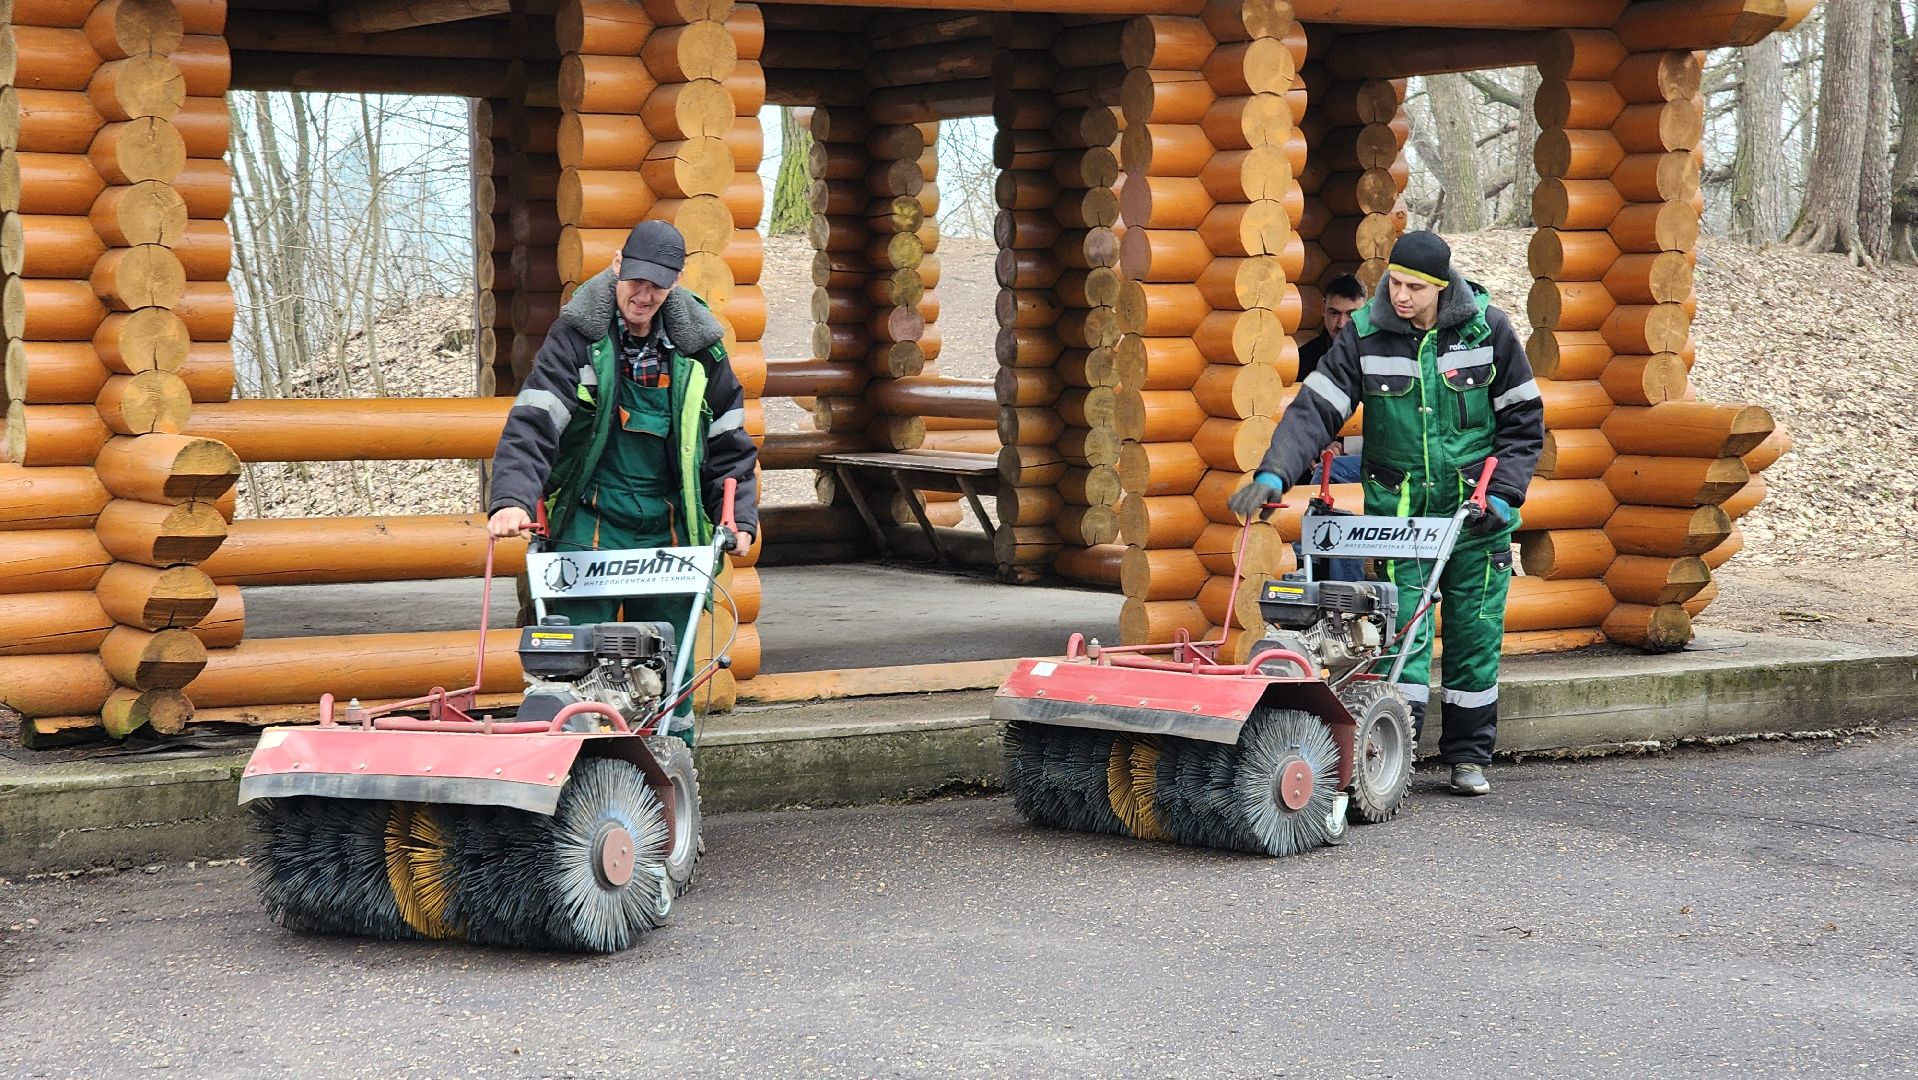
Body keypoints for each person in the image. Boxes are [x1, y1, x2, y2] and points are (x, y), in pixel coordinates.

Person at [1229, 231, 1543, 796]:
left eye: (1414, 288)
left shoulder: (1488, 331)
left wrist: (1504, 495)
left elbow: (1524, 424)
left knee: (1475, 632)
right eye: (1394, 282)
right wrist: (1275, 471)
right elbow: (1316, 407)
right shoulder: (1365, 336)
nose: (1399, 295)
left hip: (1476, 516)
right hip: (1400, 520)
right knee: (1402, 636)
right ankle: (1397, 753)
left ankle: (1468, 758)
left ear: (1441, 289)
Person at [487, 220, 760, 735]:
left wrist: (740, 516)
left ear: (675, 282)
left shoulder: (701, 348)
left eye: (657, 283)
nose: (644, 293)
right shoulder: (577, 335)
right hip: (588, 522)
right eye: (635, 279)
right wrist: (512, 499)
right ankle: (577, 787)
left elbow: (729, 440)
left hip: (669, 528)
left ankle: (666, 791)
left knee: (666, 676)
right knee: (575, 668)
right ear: (616, 266)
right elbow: (536, 419)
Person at [1298, 274, 1370, 580]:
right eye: (1334, 313)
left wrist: (1344, 446)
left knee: (1330, 475)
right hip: (1314, 461)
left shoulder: (1379, 356)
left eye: (1351, 315)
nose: (1341, 324)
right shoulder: (1305, 359)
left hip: (1371, 462)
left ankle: (1312, 563)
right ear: (1323, 309)